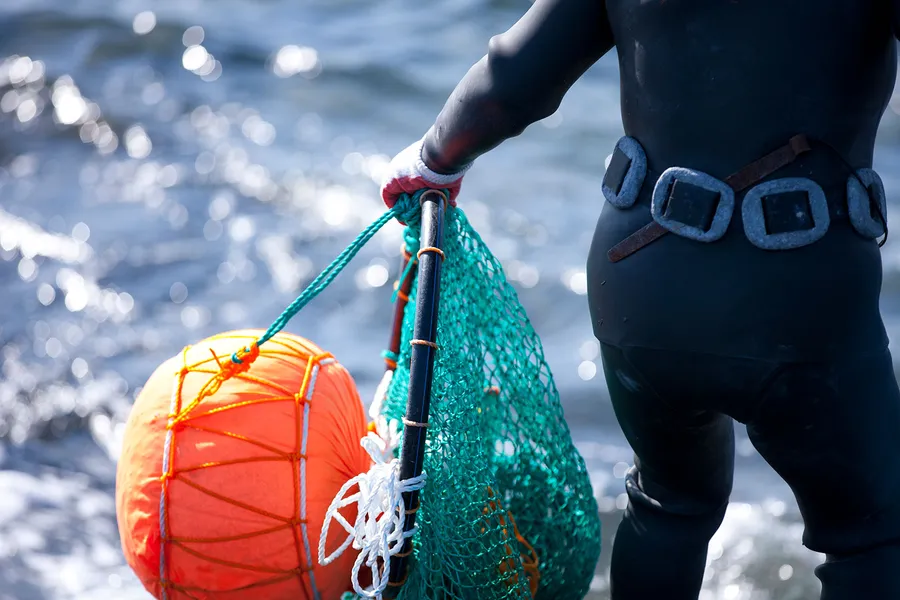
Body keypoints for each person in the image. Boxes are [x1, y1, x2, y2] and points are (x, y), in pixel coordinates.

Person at [379, 1, 900, 598]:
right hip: (798, 299)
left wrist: (433, 159)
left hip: (641, 284)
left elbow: (514, 77)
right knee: (870, 534)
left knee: (669, 503)